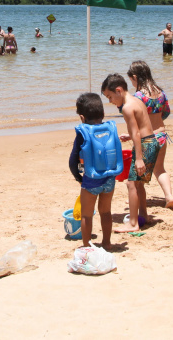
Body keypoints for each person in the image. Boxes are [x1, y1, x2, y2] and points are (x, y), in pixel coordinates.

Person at [101, 73, 158, 233]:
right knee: (138, 183)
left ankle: (133, 223)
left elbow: (136, 134)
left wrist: (138, 158)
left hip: (145, 145)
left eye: (110, 97)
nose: (110, 101)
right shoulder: (137, 100)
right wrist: (131, 136)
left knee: (131, 184)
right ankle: (144, 215)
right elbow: (142, 127)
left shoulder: (126, 107)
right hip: (151, 141)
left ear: (118, 90)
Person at [68, 93, 121, 249]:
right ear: (102, 113)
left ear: (82, 117)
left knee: (86, 214)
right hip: (109, 178)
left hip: (91, 180)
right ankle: (106, 243)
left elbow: (73, 161)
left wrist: (78, 177)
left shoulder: (83, 133)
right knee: (106, 212)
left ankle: (87, 246)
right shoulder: (110, 129)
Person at [127, 60, 173, 210]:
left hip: (149, 138)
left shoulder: (139, 96)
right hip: (162, 135)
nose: (132, 84)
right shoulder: (160, 92)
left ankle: (139, 204)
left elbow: (137, 120)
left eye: (132, 81)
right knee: (160, 169)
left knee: (139, 176)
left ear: (135, 77)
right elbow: (166, 112)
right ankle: (169, 196)